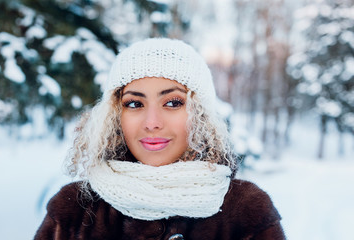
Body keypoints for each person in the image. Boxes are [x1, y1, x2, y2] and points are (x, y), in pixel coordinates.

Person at [34, 38, 286, 240]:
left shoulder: (247, 213)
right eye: (134, 103)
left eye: (173, 102)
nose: (152, 122)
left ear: (201, 114)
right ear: (114, 115)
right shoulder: (73, 210)